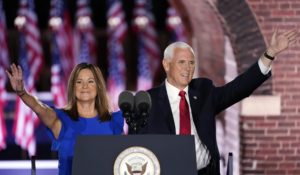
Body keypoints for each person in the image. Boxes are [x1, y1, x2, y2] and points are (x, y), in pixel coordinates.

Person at [132, 29, 298, 175]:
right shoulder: (147, 101)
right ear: (166, 65)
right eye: (181, 62)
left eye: (191, 63)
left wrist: (270, 54)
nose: (187, 68)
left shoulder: (204, 92)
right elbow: (135, 151)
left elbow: (238, 89)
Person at [6, 62, 124, 175]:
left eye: (91, 81)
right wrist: (22, 92)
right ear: (73, 87)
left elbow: (125, 158)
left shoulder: (114, 121)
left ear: (98, 87)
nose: (85, 86)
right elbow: (39, 107)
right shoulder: (61, 120)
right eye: (79, 82)